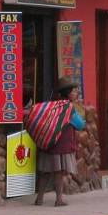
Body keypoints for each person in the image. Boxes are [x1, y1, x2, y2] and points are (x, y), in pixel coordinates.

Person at [35, 77, 86, 206]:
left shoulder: (52, 104)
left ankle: (39, 198)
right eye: (74, 91)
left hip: (48, 143)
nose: (76, 93)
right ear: (67, 93)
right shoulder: (68, 108)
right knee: (59, 172)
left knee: (45, 172)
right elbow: (79, 125)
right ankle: (59, 199)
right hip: (61, 145)